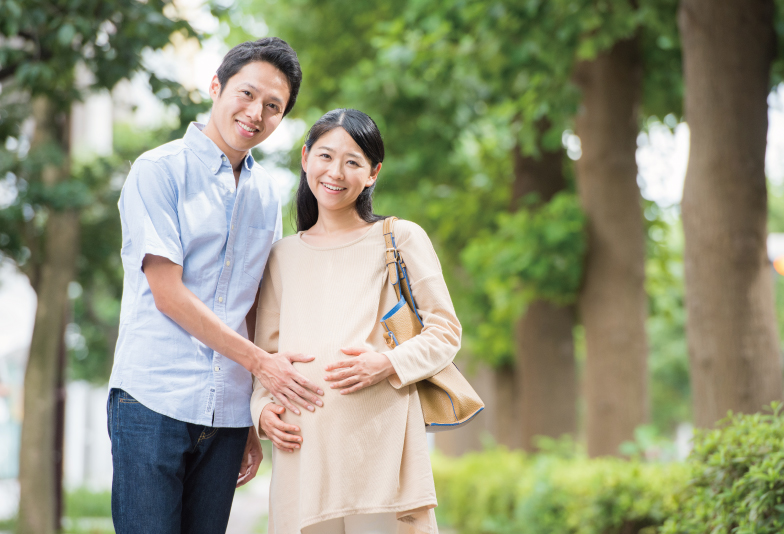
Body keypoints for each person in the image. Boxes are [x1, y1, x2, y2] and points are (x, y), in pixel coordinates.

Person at [107, 37, 325, 534]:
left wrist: (249, 413)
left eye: (274, 107)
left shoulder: (268, 195)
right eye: (246, 94)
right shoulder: (158, 172)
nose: (256, 113)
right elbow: (168, 293)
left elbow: (252, 305)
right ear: (216, 85)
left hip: (225, 414)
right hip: (151, 401)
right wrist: (263, 366)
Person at [250, 108, 462, 534]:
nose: (336, 172)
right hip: (303, 453)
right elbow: (266, 357)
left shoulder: (400, 238)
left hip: (379, 452)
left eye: (353, 161)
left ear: (373, 173)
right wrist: (262, 414)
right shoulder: (282, 255)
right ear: (306, 158)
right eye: (326, 156)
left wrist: (386, 363)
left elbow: (446, 331)